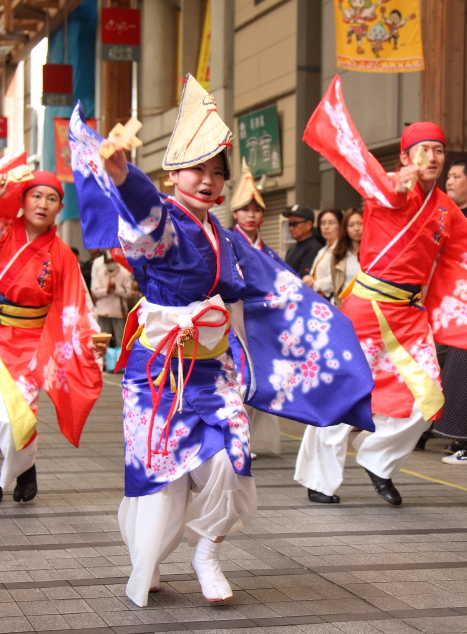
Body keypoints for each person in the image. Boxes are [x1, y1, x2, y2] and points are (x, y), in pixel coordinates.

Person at [69, 74, 374, 607]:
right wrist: (122, 176)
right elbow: (146, 219)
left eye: (218, 173)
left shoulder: (228, 238)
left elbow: (276, 292)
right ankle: (151, 559)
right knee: (164, 476)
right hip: (159, 372)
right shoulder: (161, 223)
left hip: (213, 372)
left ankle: (207, 553)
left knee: (233, 464)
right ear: (172, 174)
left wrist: (335, 333)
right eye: (197, 169)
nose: (209, 181)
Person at [296, 75, 467, 506]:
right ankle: (320, 478)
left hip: (410, 317)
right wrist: (395, 181)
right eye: (422, 150)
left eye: (439, 150)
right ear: (406, 156)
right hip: (366, 309)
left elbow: (461, 259)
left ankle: (377, 460)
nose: (432, 156)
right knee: (346, 391)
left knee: (426, 398)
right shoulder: (388, 188)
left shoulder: (446, 210)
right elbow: (368, 174)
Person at [0, 169, 104, 503]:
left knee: (17, 417)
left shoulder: (61, 254)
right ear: (22, 198)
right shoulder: (4, 231)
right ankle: (21, 470)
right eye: (36, 195)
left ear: (60, 206)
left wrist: (89, 339)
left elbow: (77, 302)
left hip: (32, 347)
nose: (43, 204)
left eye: (52, 198)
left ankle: (22, 468)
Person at [230, 158, 282, 456]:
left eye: (256, 209)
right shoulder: (225, 241)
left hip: (263, 324)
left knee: (261, 381)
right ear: (235, 212)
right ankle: (236, 438)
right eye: (245, 209)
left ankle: (253, 439)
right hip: (232, 321)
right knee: (238, 379)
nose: (251, 214)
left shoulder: (270, 252)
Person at [434, 161, 467, 464]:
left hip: (461, 308)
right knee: (446, 372)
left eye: (457, 176)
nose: (451, 181)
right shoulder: (444, 215)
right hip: (445, 308)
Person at [92, 251, 132, 348]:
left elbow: (128, 293)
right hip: (103, 311)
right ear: (105, 262)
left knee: (120, 340)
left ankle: (120, 361)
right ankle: (104, 361)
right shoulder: (101, 273)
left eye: (112, 261)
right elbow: (95, 291)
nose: (110, 263)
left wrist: (116, 289)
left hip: (117, 312)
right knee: (102, 342)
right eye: (108, 261)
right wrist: (107, 290)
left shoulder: (124, 273)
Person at [303, 209, 342, 298]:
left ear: (341, 225)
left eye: (331, 223)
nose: (326, 227)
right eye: (323, 223)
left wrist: (313, 284)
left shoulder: (342, 249)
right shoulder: (323, 250)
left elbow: (335, 280)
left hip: (332, 300)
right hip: (318, 297)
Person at [330, 209, 363, 308]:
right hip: (345, 308)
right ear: (345, 228)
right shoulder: (338, 254)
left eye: (360, 223)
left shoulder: (374, 253)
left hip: (368, 309)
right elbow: (335, 286)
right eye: (351, 225)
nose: (356, 229)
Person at [283, 204, 322, 279]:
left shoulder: (314, 248)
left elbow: (303, 279)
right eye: (290, 224)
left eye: (295, 224)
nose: (291, 228)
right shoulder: (291, 250)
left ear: (309, 225)